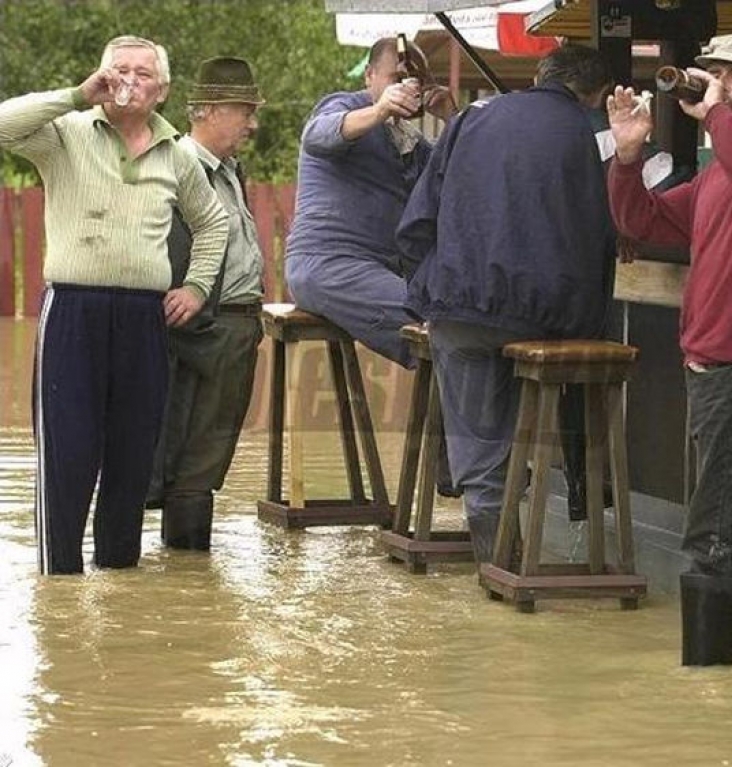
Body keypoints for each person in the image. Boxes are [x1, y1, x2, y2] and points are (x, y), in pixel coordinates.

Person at [606, 31, 732, 665]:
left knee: (713, 532)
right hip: (722, 372)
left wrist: (716, 115)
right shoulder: (722, 173)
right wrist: (629, 157)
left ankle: (706, 689)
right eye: (715, 72)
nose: (720, 83)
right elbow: (641, 222)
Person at [0, 36, 229, 575]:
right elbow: (5, 124)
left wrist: (195, 286)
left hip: (144, 317)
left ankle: (120, 582)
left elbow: (212, 222)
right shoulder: (65, 134)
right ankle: (60, 586)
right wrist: (78, 95)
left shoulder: (178, 153)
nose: (128, 80)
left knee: (132, 457)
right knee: (68, 454)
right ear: (100, 78)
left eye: (142, 73)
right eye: (117, 70)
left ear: (162, 89)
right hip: (73, 312)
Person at [396, 44, 617, 565]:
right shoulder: (581, 135)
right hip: (543, 319)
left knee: (479, 439)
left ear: (540, 76)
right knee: (536, 405)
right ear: (595, 95)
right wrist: (588, 324)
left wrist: (429, 288)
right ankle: (545, 527)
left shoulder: (472, 118)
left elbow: (415, 223)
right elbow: (596, 241)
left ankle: (495, 561)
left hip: (460, 309)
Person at [147, 57, 265, 551]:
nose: (253, 123)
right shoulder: (180, 168)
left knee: (194, 458)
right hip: (206, 327)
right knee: (194, 459)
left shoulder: (228, 169)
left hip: (227, 325)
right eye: (245, 111)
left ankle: (180, 587)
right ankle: (187, 574)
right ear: (210, 111)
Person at [284, 36, 456, 370]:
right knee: (438, 321)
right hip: (326, 264)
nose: (409, 87)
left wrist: (452, 117)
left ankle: (447, 419)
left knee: (458, 317)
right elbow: (317, 136)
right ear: (369, 76)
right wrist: (380, 109)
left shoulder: (410, 141)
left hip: (377, 270)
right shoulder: (343, 106)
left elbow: (460, 174)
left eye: (417, 81)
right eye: (397, 78)